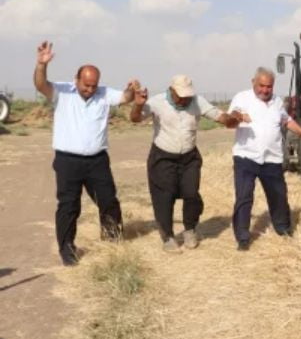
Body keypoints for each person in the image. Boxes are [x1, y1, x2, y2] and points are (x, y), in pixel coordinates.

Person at [33, 40, 136, 265]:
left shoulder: (104, 93)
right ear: (77, 79)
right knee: (69, 206)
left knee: (108, 200)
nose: (90, 90)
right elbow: (41, 85)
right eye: (86, 85)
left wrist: (131, 88)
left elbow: (126, 98)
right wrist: (41, 65)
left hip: (97, 160)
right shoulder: (61, 91)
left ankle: (112, 241)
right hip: (68, 161)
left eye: (93, 85)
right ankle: (67, 249)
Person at [130, 75, 238, 252]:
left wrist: (233, 119)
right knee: (164, 198)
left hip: (189, 158)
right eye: (181, 96)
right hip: (163, 158)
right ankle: (168, 236)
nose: (184, 99)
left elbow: (219, 116)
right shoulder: (157, 102)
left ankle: (190, 229)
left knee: (191, 194)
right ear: (171, 90)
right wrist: (139, 104)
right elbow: (135, 118)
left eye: (187, 96)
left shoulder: (197, 101)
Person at [228, 67, 301, 250]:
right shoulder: (242, 98)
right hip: (246, 157)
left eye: (269, 86)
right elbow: (231, 118)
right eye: (261, 86)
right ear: (253, 82)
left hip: (272, 159)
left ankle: (283, 229)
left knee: (278, 196)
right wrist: (237, 117)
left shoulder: (277, 102)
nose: (265, 90)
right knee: (244, 197)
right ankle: (243, 238)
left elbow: (287, 121)